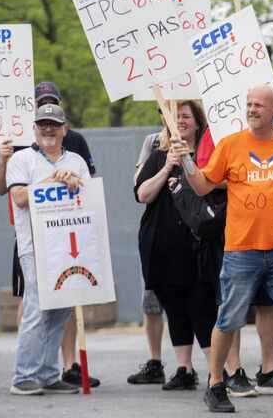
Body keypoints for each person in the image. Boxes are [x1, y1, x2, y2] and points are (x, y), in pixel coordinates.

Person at [176, 85, 273, 417]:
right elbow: (202, 185)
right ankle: (216, 383)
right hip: (240, 250)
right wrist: (185, 159)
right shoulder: (231, 145)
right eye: (248, 104)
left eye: (259, 104)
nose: (252, 109)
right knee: (228, 319)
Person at [0, 81, 99, 389]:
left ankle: (49, 374)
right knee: (37, 310)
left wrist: (74, 181)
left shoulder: (75, 160)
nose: (48, 130)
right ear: (34, 129)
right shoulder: (21, 159)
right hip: (35, 247)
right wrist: (54, 180)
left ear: (65, 129)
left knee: (60, 314)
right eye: (43, 125)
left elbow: (88, 195)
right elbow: (20, 198)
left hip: (69, 248)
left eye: (54, 125)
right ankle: (24, 376)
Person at [135, 101, 217, 391]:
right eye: (176, 116)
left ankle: (216, 373)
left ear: (197, 122)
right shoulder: (159, 155)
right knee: (174, 306)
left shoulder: (210, 155)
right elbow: (142, 194)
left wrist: (188, 162)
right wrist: (168, 165)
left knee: (201, 305)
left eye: (185, 116)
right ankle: (185, 369)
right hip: (162, 245)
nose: (180, 121)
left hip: (197, 246)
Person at [127, 128, 167, 385]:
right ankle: (155, 361)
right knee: (152, 304)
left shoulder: (203, 137)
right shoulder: (152, 142)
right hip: (158, 230)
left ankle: (212, 366)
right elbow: (138, 183)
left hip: (193, 229)